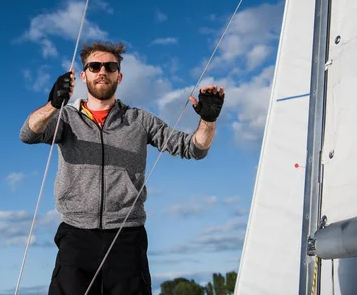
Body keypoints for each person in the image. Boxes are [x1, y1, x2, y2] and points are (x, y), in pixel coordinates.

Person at [19, 41, 225, 295]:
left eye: (110, 66)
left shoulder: (139, 120)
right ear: (83, 76)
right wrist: (53, 104)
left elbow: (194, 149)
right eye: (94, 66)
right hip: (76, 237)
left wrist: (208, 120)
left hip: (128, 238)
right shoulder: (67, 119)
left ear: (120, 75)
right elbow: (28, 133)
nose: (102, 71)